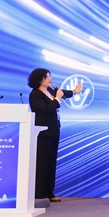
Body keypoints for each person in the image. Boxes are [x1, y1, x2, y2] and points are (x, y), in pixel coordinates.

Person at [27, 68, 82, 203]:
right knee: (42, 162)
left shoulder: (50, 91)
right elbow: (45, 109)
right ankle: (39, 193)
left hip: (54, 129)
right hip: (43, 132)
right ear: (39, 79)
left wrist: (74, 92)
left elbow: (62, 93)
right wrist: (57, 99)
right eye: (47, 77)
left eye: (50, 76)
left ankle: (49, 192)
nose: (50, 79)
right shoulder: (35, 95)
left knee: (51, 162)